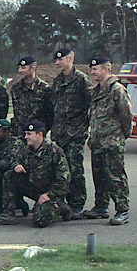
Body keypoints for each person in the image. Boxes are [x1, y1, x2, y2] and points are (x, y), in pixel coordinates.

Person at [0, 120, 70, 227]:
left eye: (29, 134)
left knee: (40, 221)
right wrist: (16, 166)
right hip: (33, 188)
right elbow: (14, 161)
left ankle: (62, 208)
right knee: (9, 175)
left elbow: (64, 179)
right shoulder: (26, 150)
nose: (26, 137)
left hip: (50, 193)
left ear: (39, 134)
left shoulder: (54, 151)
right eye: (26, 133)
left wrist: (49, 195)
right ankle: (8, 213)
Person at [85, 55, 133, 225]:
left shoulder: (116, 90)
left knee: (115, 176)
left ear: (106, 69)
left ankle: (122, 209)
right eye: (91, 69)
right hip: (97, 142)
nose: (92, 72)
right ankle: (101, 207)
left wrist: (120, 137)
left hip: (112, 142)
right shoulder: (96, 91)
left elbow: (126, 116)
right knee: (99, 176)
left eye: (95, 69)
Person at [50, 47, 92, 219]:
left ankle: (77, 203)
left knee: (75, 169)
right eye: (57, 60)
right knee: (59, 170)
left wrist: (83, 128)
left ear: (71, 59)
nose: (58, 63)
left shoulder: (82, 80)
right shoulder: (57, 81)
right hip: (59, 133)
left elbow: (91, 105)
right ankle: (62, 203)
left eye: (62, 59)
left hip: (75, 134)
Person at [9, 56, 53, 138]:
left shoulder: (44, 88)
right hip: (19, 135)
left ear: (33, 68)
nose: (19, 71)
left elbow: (50, 114)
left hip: (36, 135)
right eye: (19, 68)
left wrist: (42, 130)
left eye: (23, 68)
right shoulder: (16, 88)